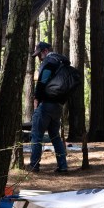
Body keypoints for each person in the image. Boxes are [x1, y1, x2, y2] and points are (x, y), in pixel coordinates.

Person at [29, 41, 68, 173]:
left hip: (45, 105)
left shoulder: (48, 62)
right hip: (58, 105)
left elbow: (42, 82)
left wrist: (36, 98)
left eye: (39, 54)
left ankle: (34, 166)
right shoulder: (61, 61)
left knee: (36, 136)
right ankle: (63, 166)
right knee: (55, 136)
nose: (39, 58)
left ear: (45, 51)